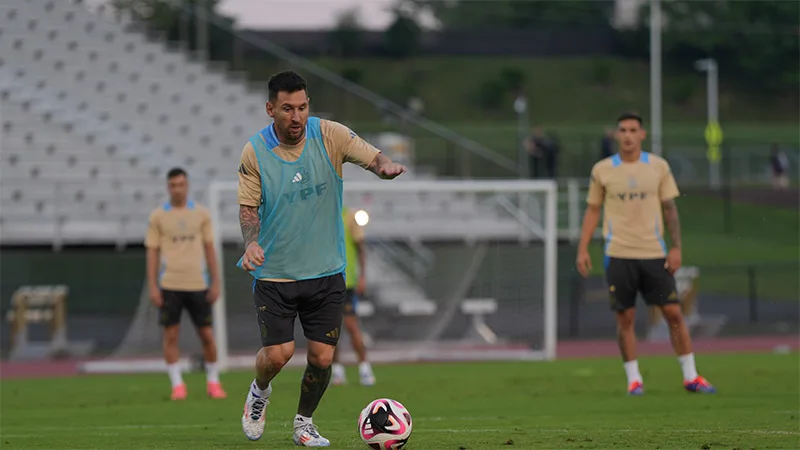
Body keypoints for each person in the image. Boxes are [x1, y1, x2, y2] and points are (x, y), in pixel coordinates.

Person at [237, 70, 407, 447]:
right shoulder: (255, 151)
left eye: (302, 107)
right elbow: (249, 210)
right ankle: (259, 392)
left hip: (327, 272)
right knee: (279, 354)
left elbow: (373, 157)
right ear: (270, 109)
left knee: (322, 358)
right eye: (287, 109)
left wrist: (385, 168)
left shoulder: (329, 134)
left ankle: (303, 424)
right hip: (276, 274)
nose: (296, 117)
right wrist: (251, 243)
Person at [575, 112, 716, 396]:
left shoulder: (658, 167)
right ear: (617, 135)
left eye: (633, 130)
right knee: (625, 318)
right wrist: (582, 248)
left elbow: (670, 209)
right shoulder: (602, 170)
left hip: (654, 253)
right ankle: (634, 379)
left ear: (642, 134)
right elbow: (593, 210)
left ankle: (691, 376)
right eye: (622, 130)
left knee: (673, 313)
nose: (627, 135)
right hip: (618, 253)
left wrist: (676, 248)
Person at [145, 167, 226, 401]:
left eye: (181, 184)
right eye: (173, 185)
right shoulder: (158, 216)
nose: (177, 189)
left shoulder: (201, 214)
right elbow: (152, 251)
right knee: (170, 336)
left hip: (198, 283)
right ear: (167, 187)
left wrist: (216, 281)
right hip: (170, 284)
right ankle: (178, 385)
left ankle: (213, 382)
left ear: (187, 186)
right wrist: (152, 285)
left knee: (207, 335)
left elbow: (210, 248)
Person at [331, 206, 375, 387]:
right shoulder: (318, 215)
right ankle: (337, 372)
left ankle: (365, 368)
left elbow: (360, 248)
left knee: (351, 326)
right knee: (330, 331)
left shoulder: (348, 216)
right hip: (325, 282)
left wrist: (362, 276)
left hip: (346, 281)